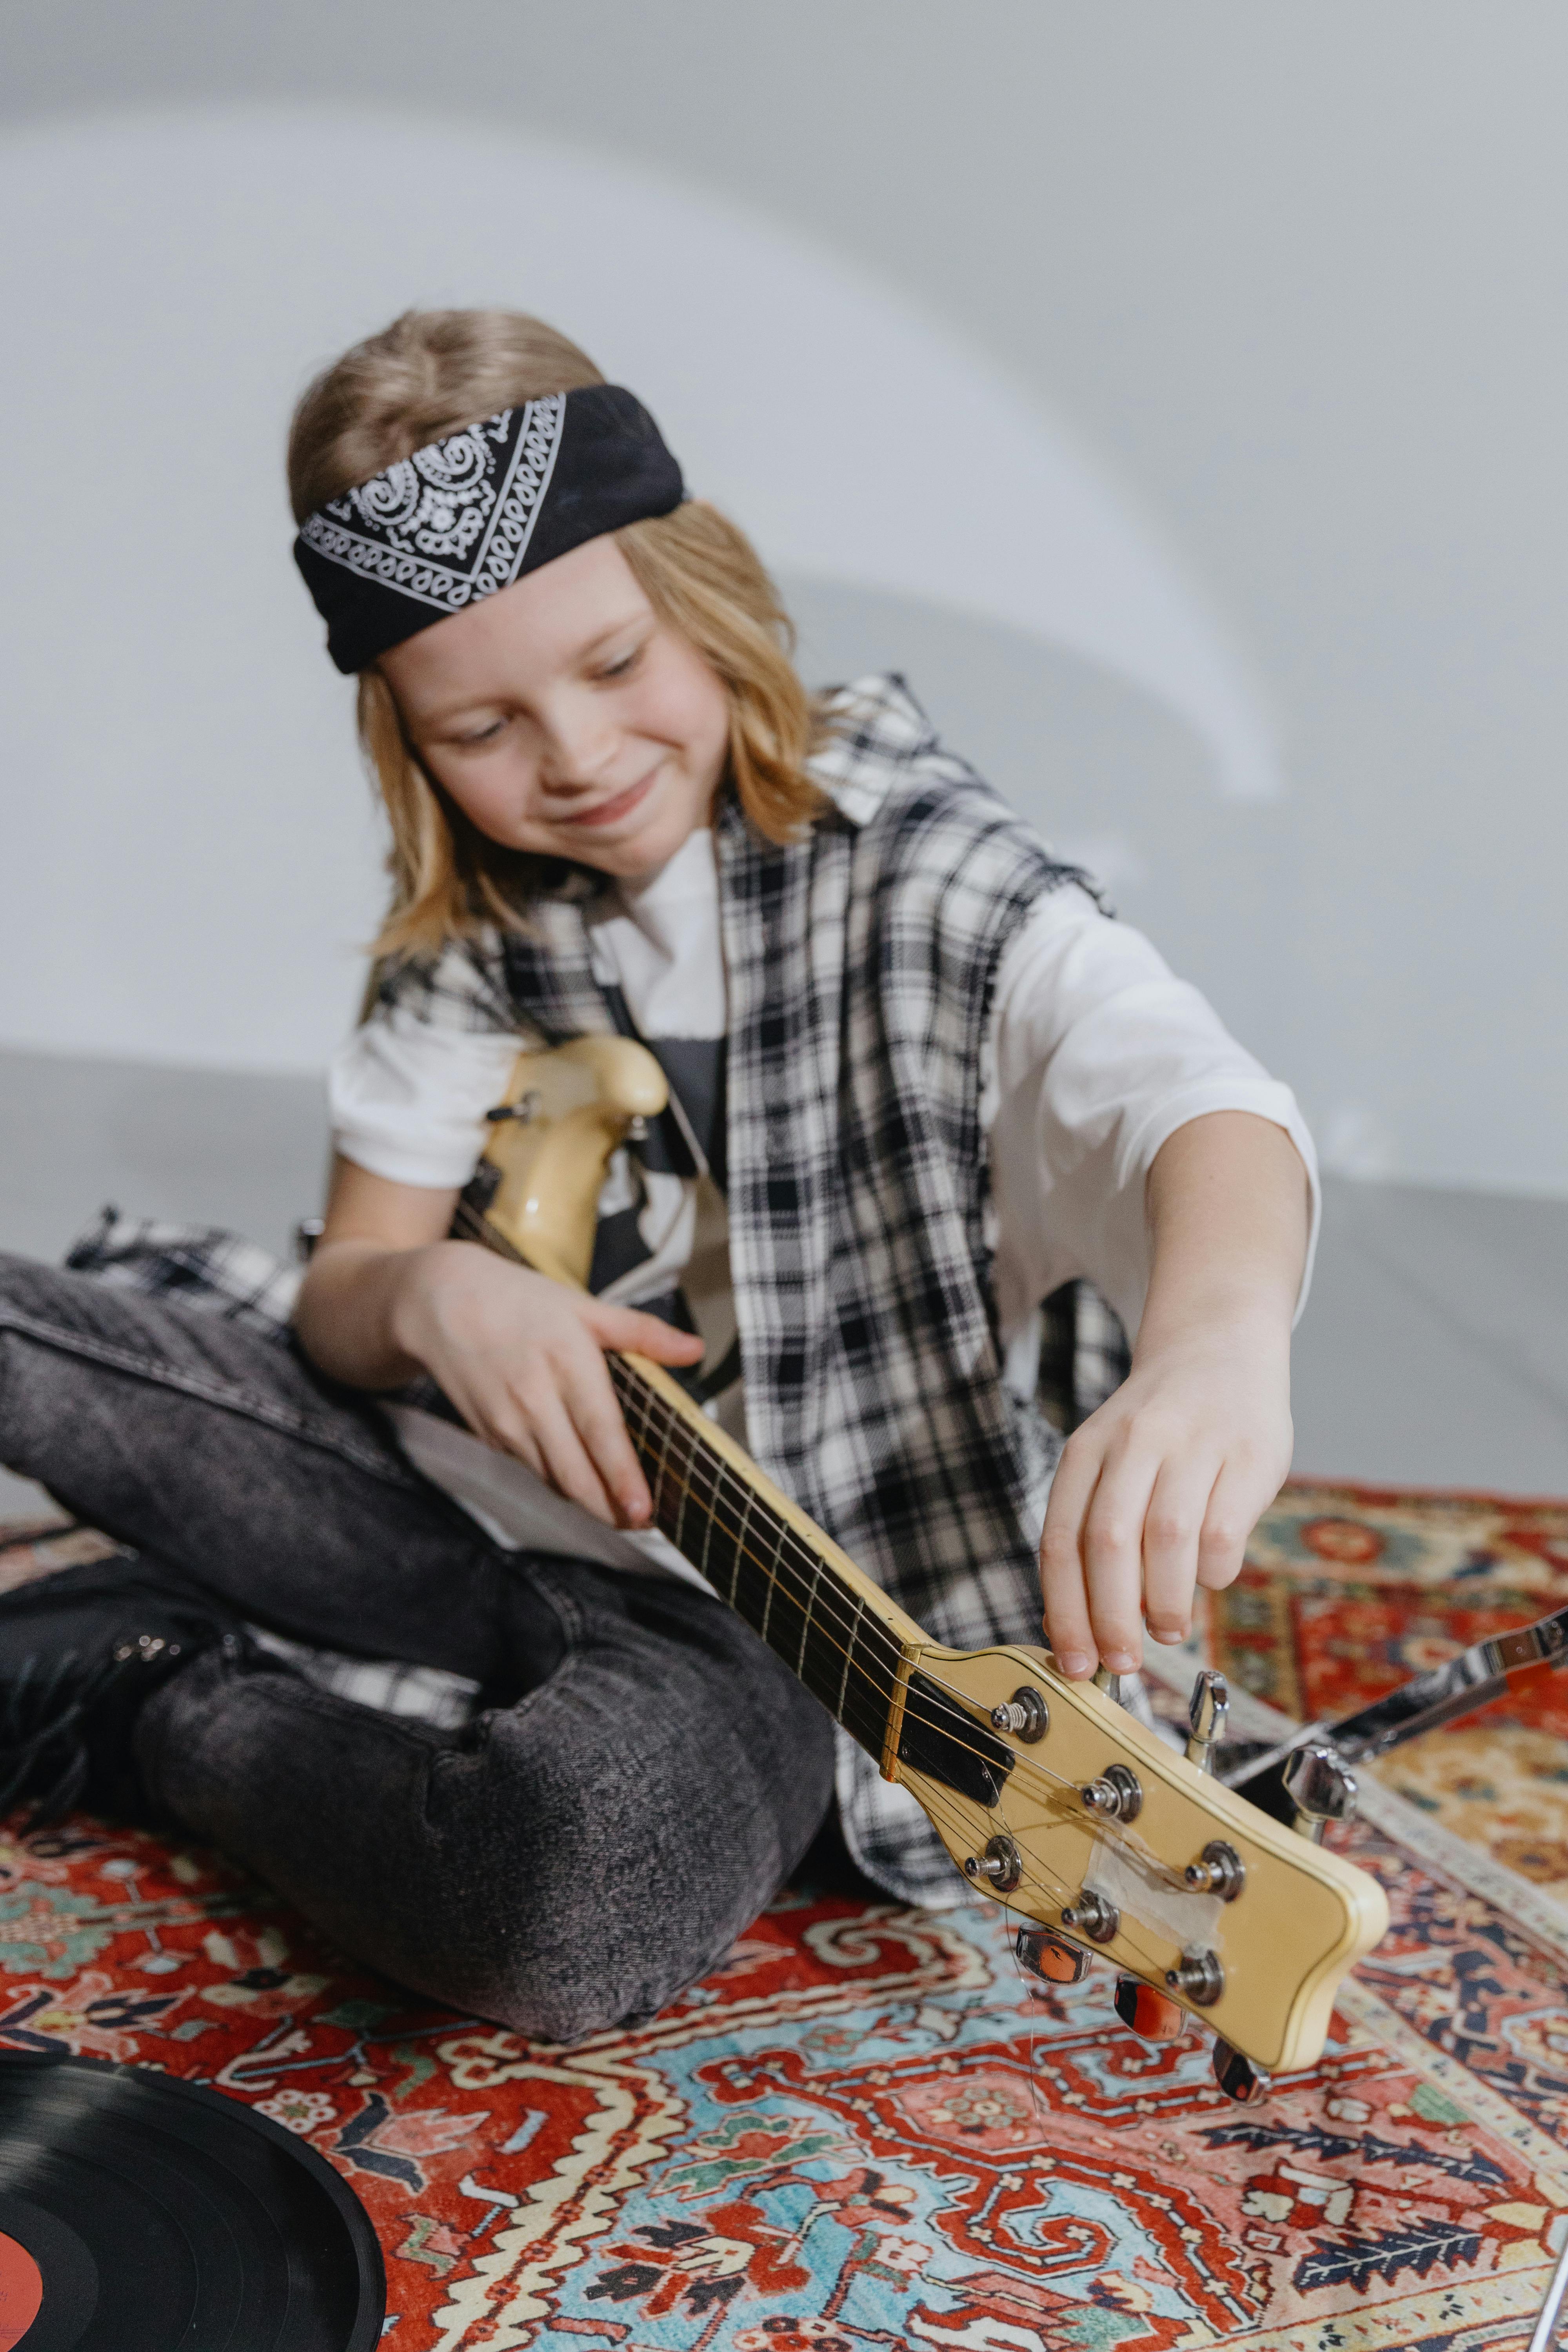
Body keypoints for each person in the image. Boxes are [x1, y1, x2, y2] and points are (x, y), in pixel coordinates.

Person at [0, 310, 1315, 2041]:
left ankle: (164, 1691)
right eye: (478, 726)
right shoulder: (467, 935)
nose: (569, 756)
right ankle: (249, 1609)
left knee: (560, 1911)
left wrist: (1216, 1344)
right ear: (403, 736)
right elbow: (341, 1303)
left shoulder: (919, 878)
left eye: (616, 666)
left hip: (750, 1620)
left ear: (704, 597)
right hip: (413, 1503)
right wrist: (433, 1293)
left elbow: (1196, 1107)